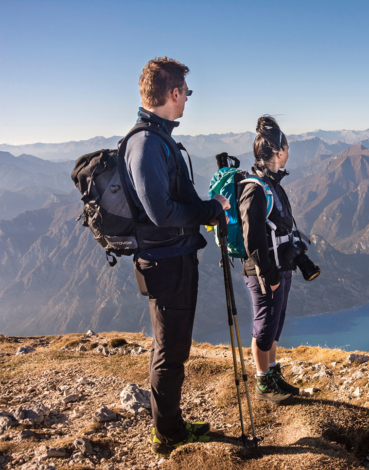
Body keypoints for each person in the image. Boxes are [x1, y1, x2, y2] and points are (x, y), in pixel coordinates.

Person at [125, 57, 230, 456]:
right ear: (173, 93)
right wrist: (210, 210)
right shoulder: (147, 143)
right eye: (186, 91)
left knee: (172, 346)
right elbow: (161, 212)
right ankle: (168, 435)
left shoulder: (157, 139)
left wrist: (206, 209)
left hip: (173, 257)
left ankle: (171, 424)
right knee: (170, 350)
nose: (187, 98)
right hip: (167, 262)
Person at [239, 116, 300, 405]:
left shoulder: (272, 183)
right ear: (278, 152)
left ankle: (273, 373)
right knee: (264, 325)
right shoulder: (255, 188)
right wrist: (269, 274)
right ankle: (263, 382)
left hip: (280, 267)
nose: (289, 152)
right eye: (286, 147)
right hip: (264, 271)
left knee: (276, 322)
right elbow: (253, 240)